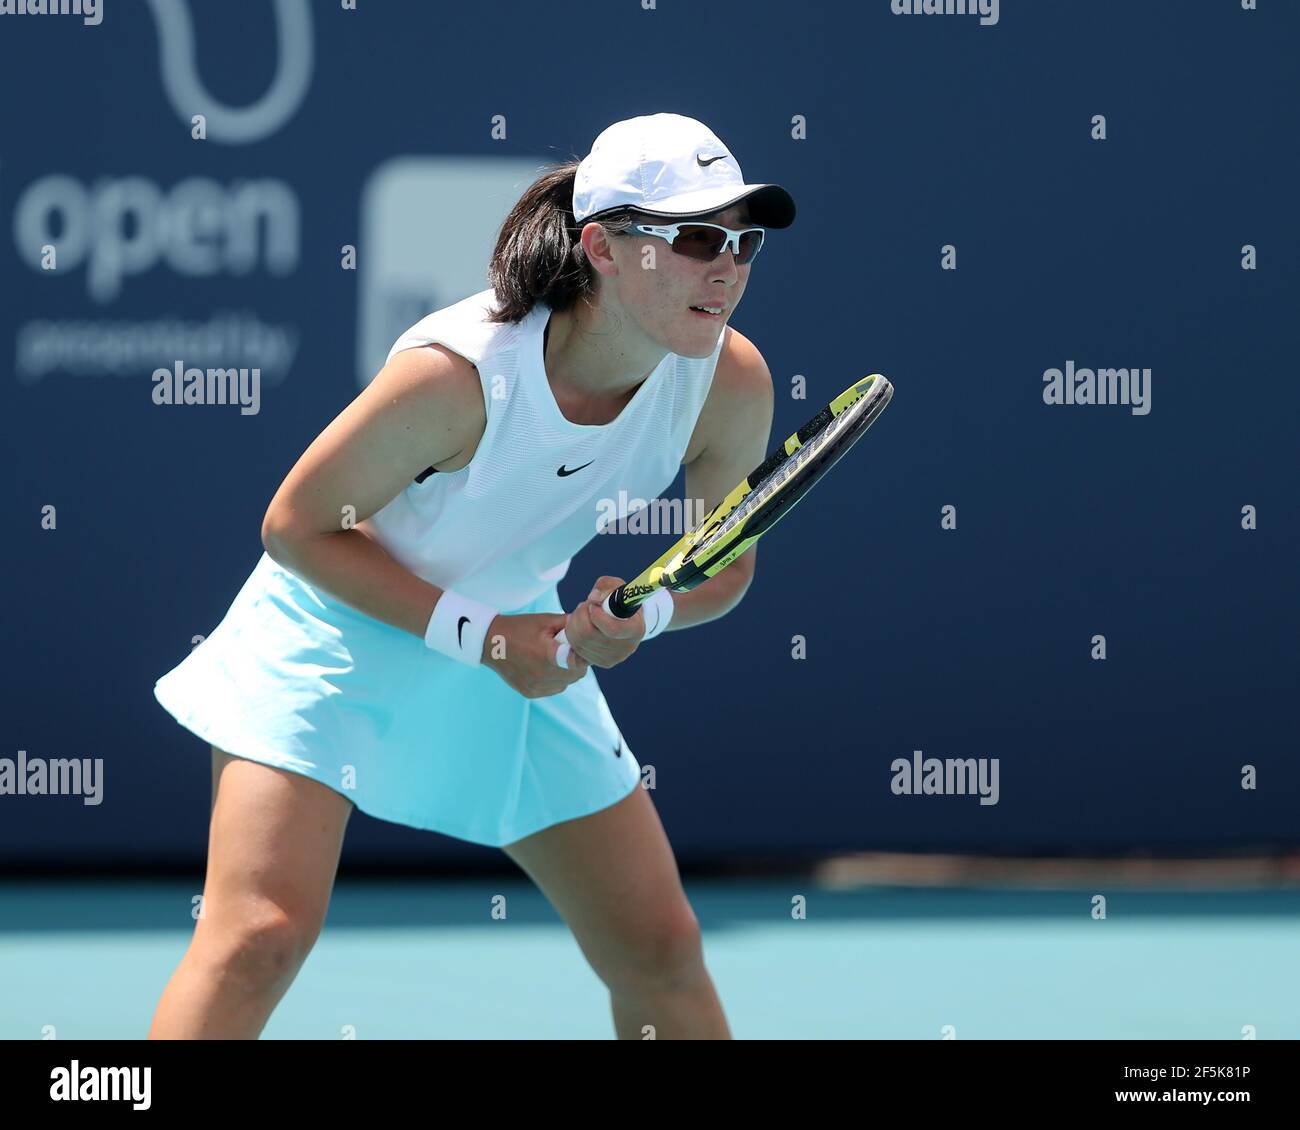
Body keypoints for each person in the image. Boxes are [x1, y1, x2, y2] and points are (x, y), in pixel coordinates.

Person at [148, 112, 795, 1040]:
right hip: (332, 625)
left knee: (657, 948)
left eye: (743, 241)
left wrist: (642, 620)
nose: (726, 266)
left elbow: (725, 567)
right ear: (603, 247)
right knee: (257, 937)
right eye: (695, 238)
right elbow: (295, 527)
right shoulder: (458, 377)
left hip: (518, 630)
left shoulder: (729, 383)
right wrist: (486, 639)